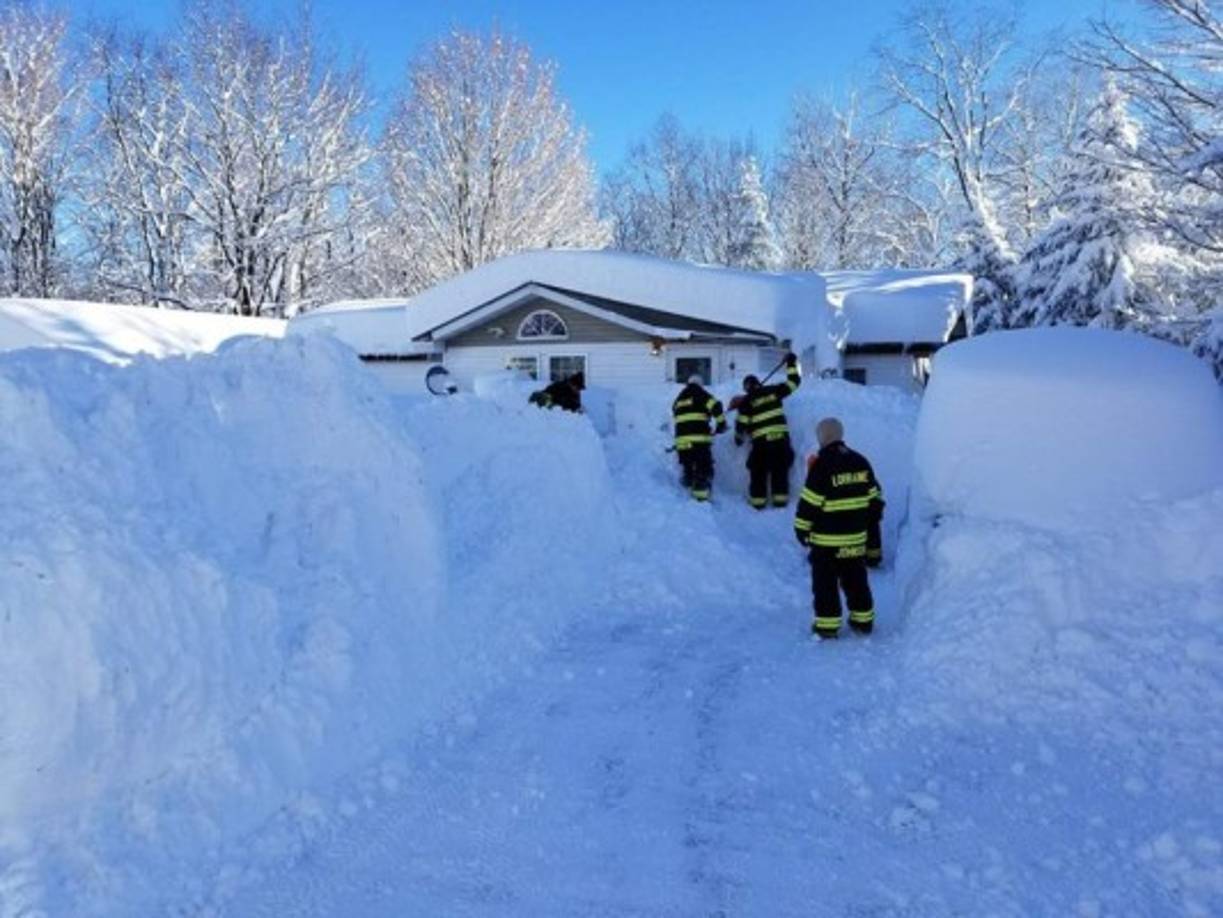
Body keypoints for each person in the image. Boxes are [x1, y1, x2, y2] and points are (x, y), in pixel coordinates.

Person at [793, 417, 884, 639]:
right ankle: (863, 621)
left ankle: (827, 626)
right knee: (856, 579)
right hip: (855, 539)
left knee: (825, 584)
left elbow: (809, 503)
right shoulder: (861, 461)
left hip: (826, 542)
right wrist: (866, 527)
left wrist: (801, 530)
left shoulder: (821, 465)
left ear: (821, 438)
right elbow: (875, 499)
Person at [733, 352, 801, 508]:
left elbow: (741, 426)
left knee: (757, 472)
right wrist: (791, 363)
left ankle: (758, 503)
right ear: (758, 383)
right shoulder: (773, 391)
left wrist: (738, 439)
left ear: (746, 388)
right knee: (780, 471)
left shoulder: (746, 402)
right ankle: (780, 501)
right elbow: (794, 383)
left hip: (761, 445)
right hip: (781, 442)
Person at [671, 375, 728, 501]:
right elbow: (716, 406)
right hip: (699, 440)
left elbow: (675, 412)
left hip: (681, 441)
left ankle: (688, 480)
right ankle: (701, 497)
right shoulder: (700, 393)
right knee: (703, 467)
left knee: (688, 464)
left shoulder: (679, 399)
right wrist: (721, 424)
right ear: (700, 384)